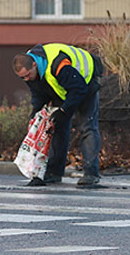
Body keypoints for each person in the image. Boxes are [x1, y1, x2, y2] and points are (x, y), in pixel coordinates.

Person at [13, 42, 103, 188]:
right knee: (56, 128)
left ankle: (91, 174)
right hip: (62, 88)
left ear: (34, 65)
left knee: (87, 127)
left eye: (27, 75)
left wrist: (64, 110)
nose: (26, 80)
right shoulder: (30, 71)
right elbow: (39, 94)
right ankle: (53, 173)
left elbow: (78, 89)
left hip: (85, 83)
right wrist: (35, 115)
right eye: (22, 78)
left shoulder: (58, 65)